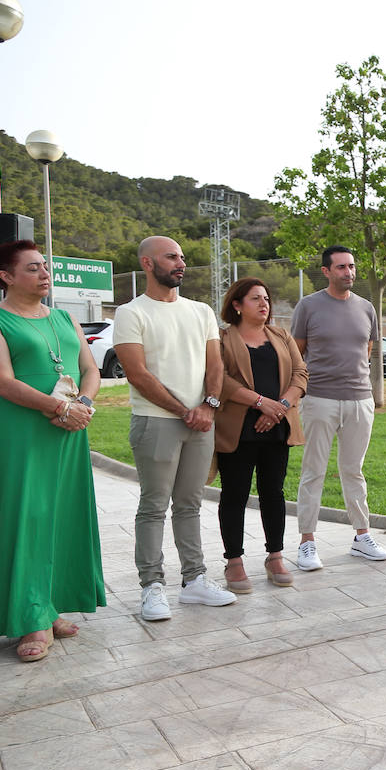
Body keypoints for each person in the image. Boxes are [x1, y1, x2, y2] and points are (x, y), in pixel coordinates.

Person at [0, 241, 107, 660]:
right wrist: (59, 406)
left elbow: (90, 369)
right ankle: (30, 618)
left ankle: (50, 604)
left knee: (63, 515)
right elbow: (1, 381)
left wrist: (84, 405)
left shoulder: (64, 318)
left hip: (69, 429)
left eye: (46, 267)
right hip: (21, 431)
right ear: (6, 276)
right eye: (33, 268)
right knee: (29, 517)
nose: (45, 274)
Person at [113, 235, 236, 620]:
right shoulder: (131, 313)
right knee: (153, 505)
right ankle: (152, 587)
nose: (180, 263)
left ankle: (194, 581)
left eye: (182, 257)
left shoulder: (200, 311)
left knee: (190, 503)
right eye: (171, 257)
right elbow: (137, 374)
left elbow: (215, 366)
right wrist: (187, 411)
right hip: (156, 422)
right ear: (148, 264)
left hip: (202, 420)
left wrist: (209, 405)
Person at [290, 245, 386, 570]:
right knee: (313, 471)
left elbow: (366, 350)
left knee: (353, 471)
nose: (349, 272)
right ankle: (307, 542)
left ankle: (362, 537)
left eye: (352, 266)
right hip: (319, 399)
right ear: (327, 271)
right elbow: (296, 354)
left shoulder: (367, 308)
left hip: (360, 400)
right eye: (342, 267)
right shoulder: (308, 306)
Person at [215, 277, 307, 591]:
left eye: (266, 298)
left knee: (274, 494)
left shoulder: (281, 335)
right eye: (255, 298)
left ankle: (275, 555)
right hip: (238, 431)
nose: (264, 304)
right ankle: (234, 561)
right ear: (237, 305)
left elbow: (300, 373)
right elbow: (219, 380)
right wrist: (260, 402)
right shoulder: (222, 339)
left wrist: (279, 406)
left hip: (277, 428)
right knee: (234, 495)